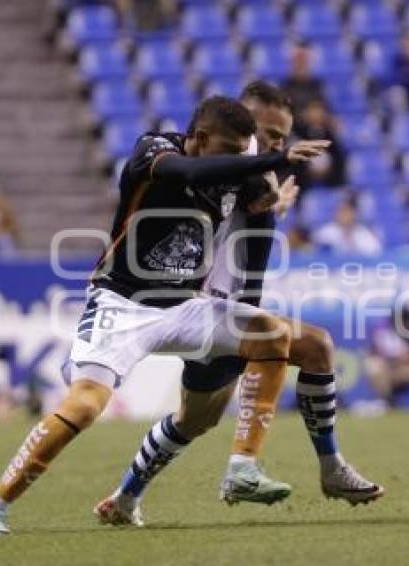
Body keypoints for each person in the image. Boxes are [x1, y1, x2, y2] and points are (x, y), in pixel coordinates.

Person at [0, 96, 334, 535]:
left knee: (271, 333)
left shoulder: (233, 173)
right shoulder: (154, 151)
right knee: (83, 406)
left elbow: (258, 204)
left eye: (244, 152)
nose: (240, 159)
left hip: (183, 305)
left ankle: (242, 468)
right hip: (121, 304)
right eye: (232, 150)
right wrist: (268, 159)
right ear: (198, 138)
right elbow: (189, 172)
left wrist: (270, 194)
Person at [93, 83, 382, 528]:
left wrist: (271, 204)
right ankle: (269, 469)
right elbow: (213, 187)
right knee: (313, 347)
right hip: (193, 309)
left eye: (281, 138)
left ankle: (125, 497)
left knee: (195, 420)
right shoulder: (215, 170)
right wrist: (268, 188)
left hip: (227, 310)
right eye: (266, 133)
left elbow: (250, 204)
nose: (273, 145)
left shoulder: (247, 178)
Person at [293, 99, 346, 190]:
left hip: (329, 177)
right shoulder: (299, 132)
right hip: (304, 179)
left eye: (319, 112)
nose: (316, 116)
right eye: (313, 112)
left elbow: (338, 156)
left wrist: (328, 169)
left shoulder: (330, 134)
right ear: (307, 114)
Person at [313, 198, 382, 256]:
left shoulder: (362, 232)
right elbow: (315, 252)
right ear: (335, 213)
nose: (345, 215)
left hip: (358, 268)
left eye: (349, 212)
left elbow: (375, 250)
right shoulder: (326, 232)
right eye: (342, 211)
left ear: (354, 214)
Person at [281, 42, 326, 120]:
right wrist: (305, 116)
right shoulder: (285, 88)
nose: (301, 64)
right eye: (298, 60)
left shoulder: (317, 86)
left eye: (304, 60)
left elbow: (324, 111)